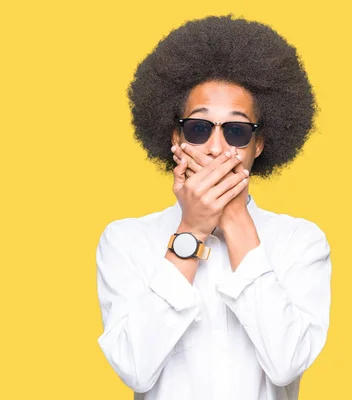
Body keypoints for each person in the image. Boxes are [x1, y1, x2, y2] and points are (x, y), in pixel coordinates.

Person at [95, 15, 332, 400]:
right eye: (199, 129)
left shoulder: (300, 241)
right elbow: (135, 370)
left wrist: (235, 218)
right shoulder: (126, 239)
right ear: (176, 137)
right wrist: (191, 232)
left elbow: (287, 363)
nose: (217, 148)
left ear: (259, 145)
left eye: (236, 131)